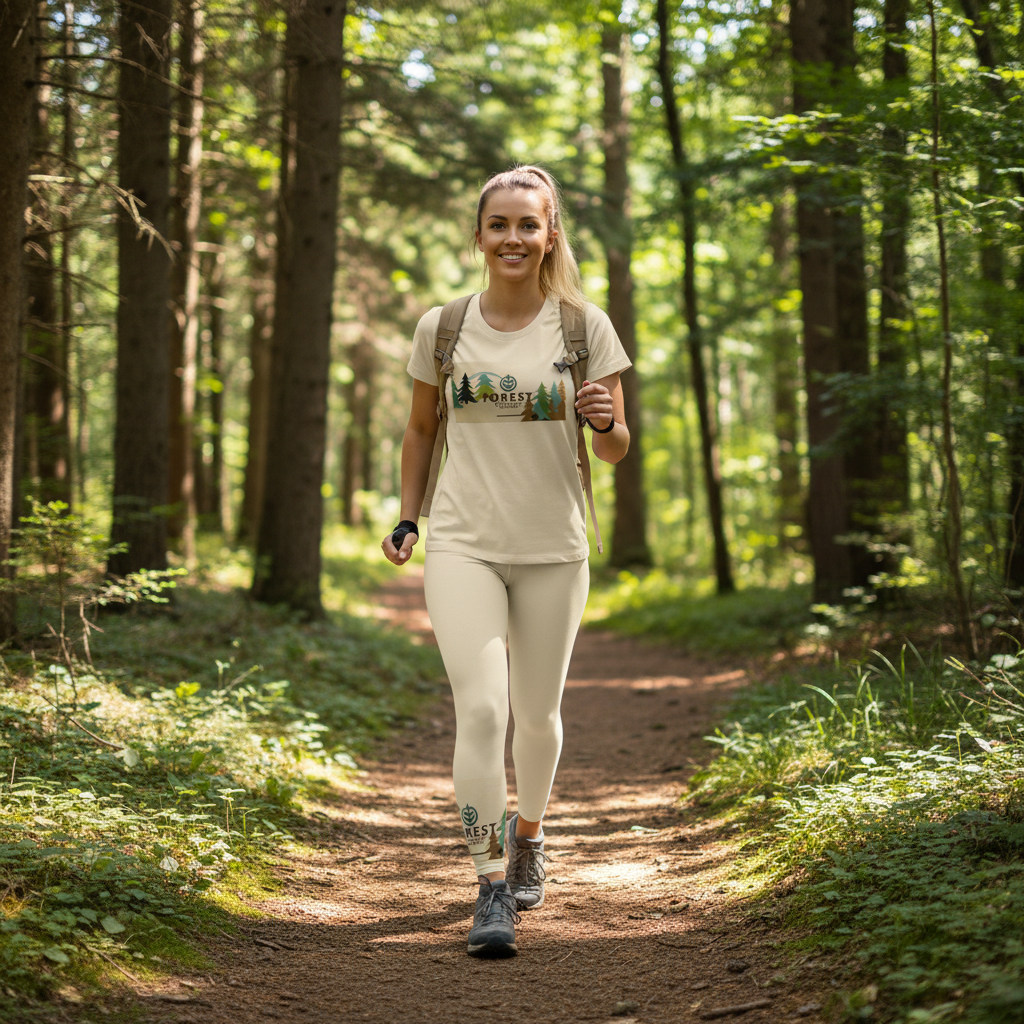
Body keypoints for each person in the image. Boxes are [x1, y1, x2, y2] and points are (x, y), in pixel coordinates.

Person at [382, 165, 632, 958]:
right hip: (462, 542)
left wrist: (603, 420)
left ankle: (530, 832)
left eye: (529, 224)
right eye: (500, 224)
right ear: (479, 233)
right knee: (483, 712)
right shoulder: (443, 327)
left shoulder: (583, 327)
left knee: (538, 718)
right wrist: (409, 518)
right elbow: (420, 431)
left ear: (551, 231)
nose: (514, 238)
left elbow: (619, 449)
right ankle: (492, 885)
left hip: (555, 547)